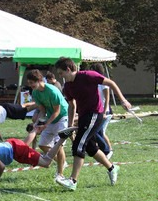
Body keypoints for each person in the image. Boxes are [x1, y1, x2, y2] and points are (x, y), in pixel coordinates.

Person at [54, 57, 132, 191]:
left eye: (61, 73)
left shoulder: (88, 75)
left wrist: (123, 100)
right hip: (84, 116)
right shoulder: (68, 87)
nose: (60, 77)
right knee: (90, 147)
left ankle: (72, 181)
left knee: (79, 144)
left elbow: (110, 83)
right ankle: (112, 168)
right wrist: (70, 126)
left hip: (95, 114)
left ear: (68, 69)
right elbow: (72, 106)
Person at [0, 126, 77, 188]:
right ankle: (35, 130)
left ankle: (62, 137)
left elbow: (1, 166)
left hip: (15, 150)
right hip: (12, 145)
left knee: (46, 163)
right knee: (25, 144)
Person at [26, 69, 69, 181]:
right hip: (51, 118)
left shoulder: (52, 91)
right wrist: (37, 124)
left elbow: (57, 111)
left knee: (58, 145)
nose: (30, 85)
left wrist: (46, 124)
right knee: (43, 144)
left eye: (32, 83)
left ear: (39, 80)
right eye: (29, 83)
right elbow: (42, 110)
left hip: (62, 116)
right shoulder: (35, 93)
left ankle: (60, 174)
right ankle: (62, 162)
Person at [90, 63, 113, 159]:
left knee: (96, 131)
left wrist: (104, 111)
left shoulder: (103, 83)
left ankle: (107, 150)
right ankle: (106, 150)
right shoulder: (94, 82)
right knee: (99, 132)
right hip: (97, 111)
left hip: (105, 111)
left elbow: (107, 98)